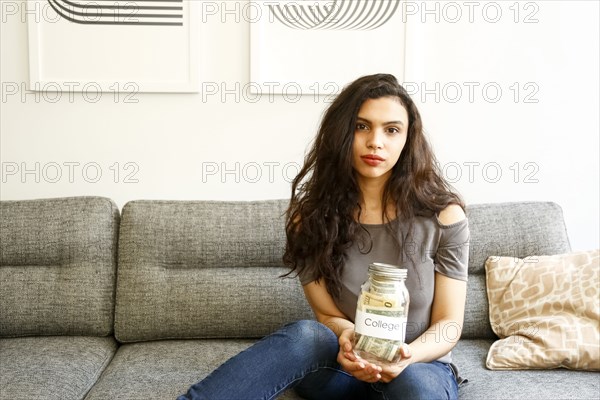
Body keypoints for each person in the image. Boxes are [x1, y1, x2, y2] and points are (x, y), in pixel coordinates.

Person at [177, 73, 469, 400]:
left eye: (391, 130)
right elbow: (327, 315)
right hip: (342, 372)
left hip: (418, 366)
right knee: (306, 335)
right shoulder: (310, 218)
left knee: (416, 384)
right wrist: (347, 336)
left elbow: (448, 324)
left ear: (407, 139)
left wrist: (406, 357)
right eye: (362, 126)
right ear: (342, 133)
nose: (376, 141)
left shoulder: (444, 217)